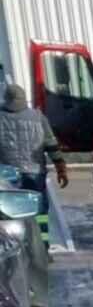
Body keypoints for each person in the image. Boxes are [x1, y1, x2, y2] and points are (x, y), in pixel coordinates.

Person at [0, 85, 69, 240]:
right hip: (35, 172)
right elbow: (51, 145)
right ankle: (43, 245)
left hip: (7, 175)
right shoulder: (38, 117)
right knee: (39, 210)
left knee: (9, 210)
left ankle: (15, 242)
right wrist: (61, 169)